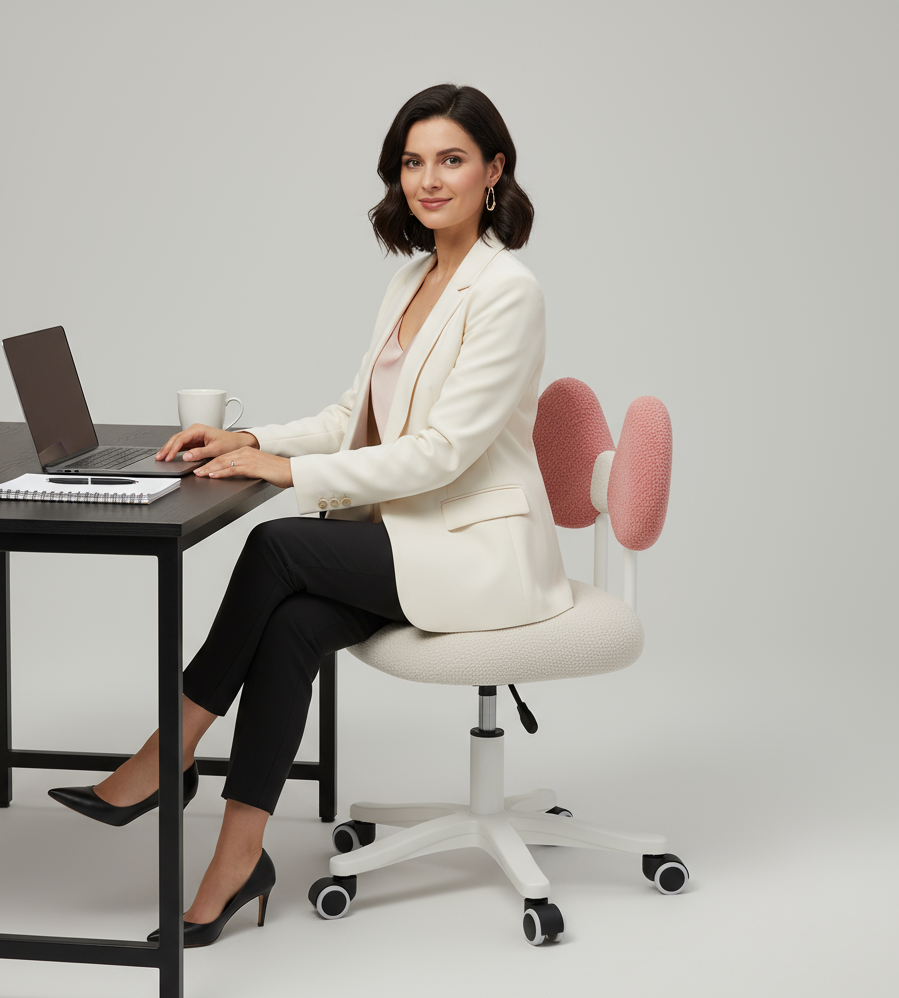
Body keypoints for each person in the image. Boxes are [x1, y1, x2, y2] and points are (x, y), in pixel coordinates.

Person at [48, 83, 575, 946]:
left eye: (451, 160)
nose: (428, 180)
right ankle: (237, 861)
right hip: (406, 539)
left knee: (277, 549)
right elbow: (349, 416)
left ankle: (167, 751)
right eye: (412, 162)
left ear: (494, 170)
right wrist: (251, 437)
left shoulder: (508, 291)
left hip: (477, 554)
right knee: (291, 626)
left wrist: (289, 474)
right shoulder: (411, 279)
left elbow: (443, 451)